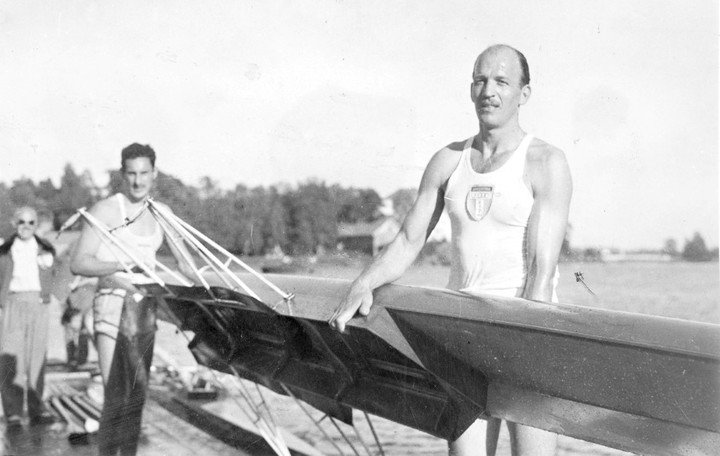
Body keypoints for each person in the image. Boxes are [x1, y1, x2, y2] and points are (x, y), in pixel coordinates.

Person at [329, 44, 572, 456]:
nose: (488, 91)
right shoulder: (447, 161)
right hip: (464, 339)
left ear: (524, 94)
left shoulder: (546, 161)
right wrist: (361, 285)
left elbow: (541, 271)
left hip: (528, 334)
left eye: (501, 81)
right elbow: (407, 240)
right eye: (480, 80)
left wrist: (520, 353)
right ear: (470, 88)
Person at [71, 143, 195, 456]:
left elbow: (186, 264)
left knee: (137, 397)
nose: (138, 182)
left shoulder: (161, 213)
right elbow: (80, 262)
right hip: (112, 304)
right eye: (131, 174)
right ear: (122, 175)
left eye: (144, 174)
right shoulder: (107, 210)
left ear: (154, 174)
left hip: (144, 309)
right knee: (116, 396)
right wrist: (121, 265)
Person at [0, 207, 57, 427]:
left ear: (36, 225)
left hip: (38, 305)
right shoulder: (4, 250)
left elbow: (61, 274)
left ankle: (37, 409)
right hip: (13, 303)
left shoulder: (45, 249)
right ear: (15, 223)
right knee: (10, 357)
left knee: (37, 358)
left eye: (31, 222)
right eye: (22, 221)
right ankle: (13, 412)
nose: (26, 226)